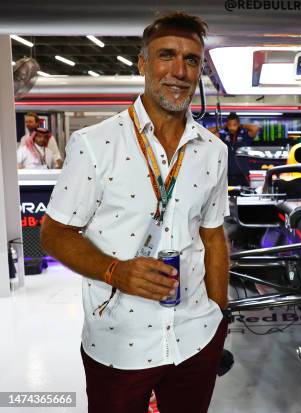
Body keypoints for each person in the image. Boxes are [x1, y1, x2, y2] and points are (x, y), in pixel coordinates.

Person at [40, 11, 229, 413]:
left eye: (191, 59)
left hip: (196, 337)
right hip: (117, 341)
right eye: (166, 55)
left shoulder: (214, 150)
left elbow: (213, 236)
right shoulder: (93, 144)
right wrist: (115, 272)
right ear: (143, 64)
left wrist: (219, 316)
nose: (179, 71)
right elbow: (53, 233)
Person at [209, 112, 259, 186]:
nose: (232, 127)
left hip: (243, 176)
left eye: (234, 125)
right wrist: (222, 126)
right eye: (229, 125)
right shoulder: (223, 136)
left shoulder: (245, 136)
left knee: (245, 197)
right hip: (226, 176)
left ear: (238, 124)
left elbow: (255, 128)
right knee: (225, 197)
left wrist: (241, 125)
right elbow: (207, 132)